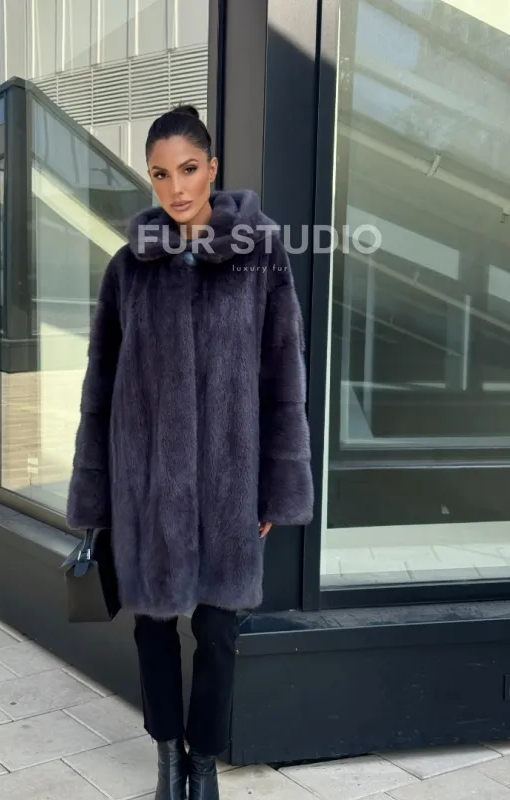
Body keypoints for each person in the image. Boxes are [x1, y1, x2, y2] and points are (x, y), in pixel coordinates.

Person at [66, 104, 314, 800]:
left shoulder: (261, 256)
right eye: (159, 174)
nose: (175, 187)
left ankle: (204, 762)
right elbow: (100, 387)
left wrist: (274, 484)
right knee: (152, 628)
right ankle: (168, 758)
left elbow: (283, 375)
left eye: (188, 168)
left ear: (212, 168)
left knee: (218, 631)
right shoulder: (128, 269)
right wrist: (99, 493)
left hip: (230, 482)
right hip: (145, 483)